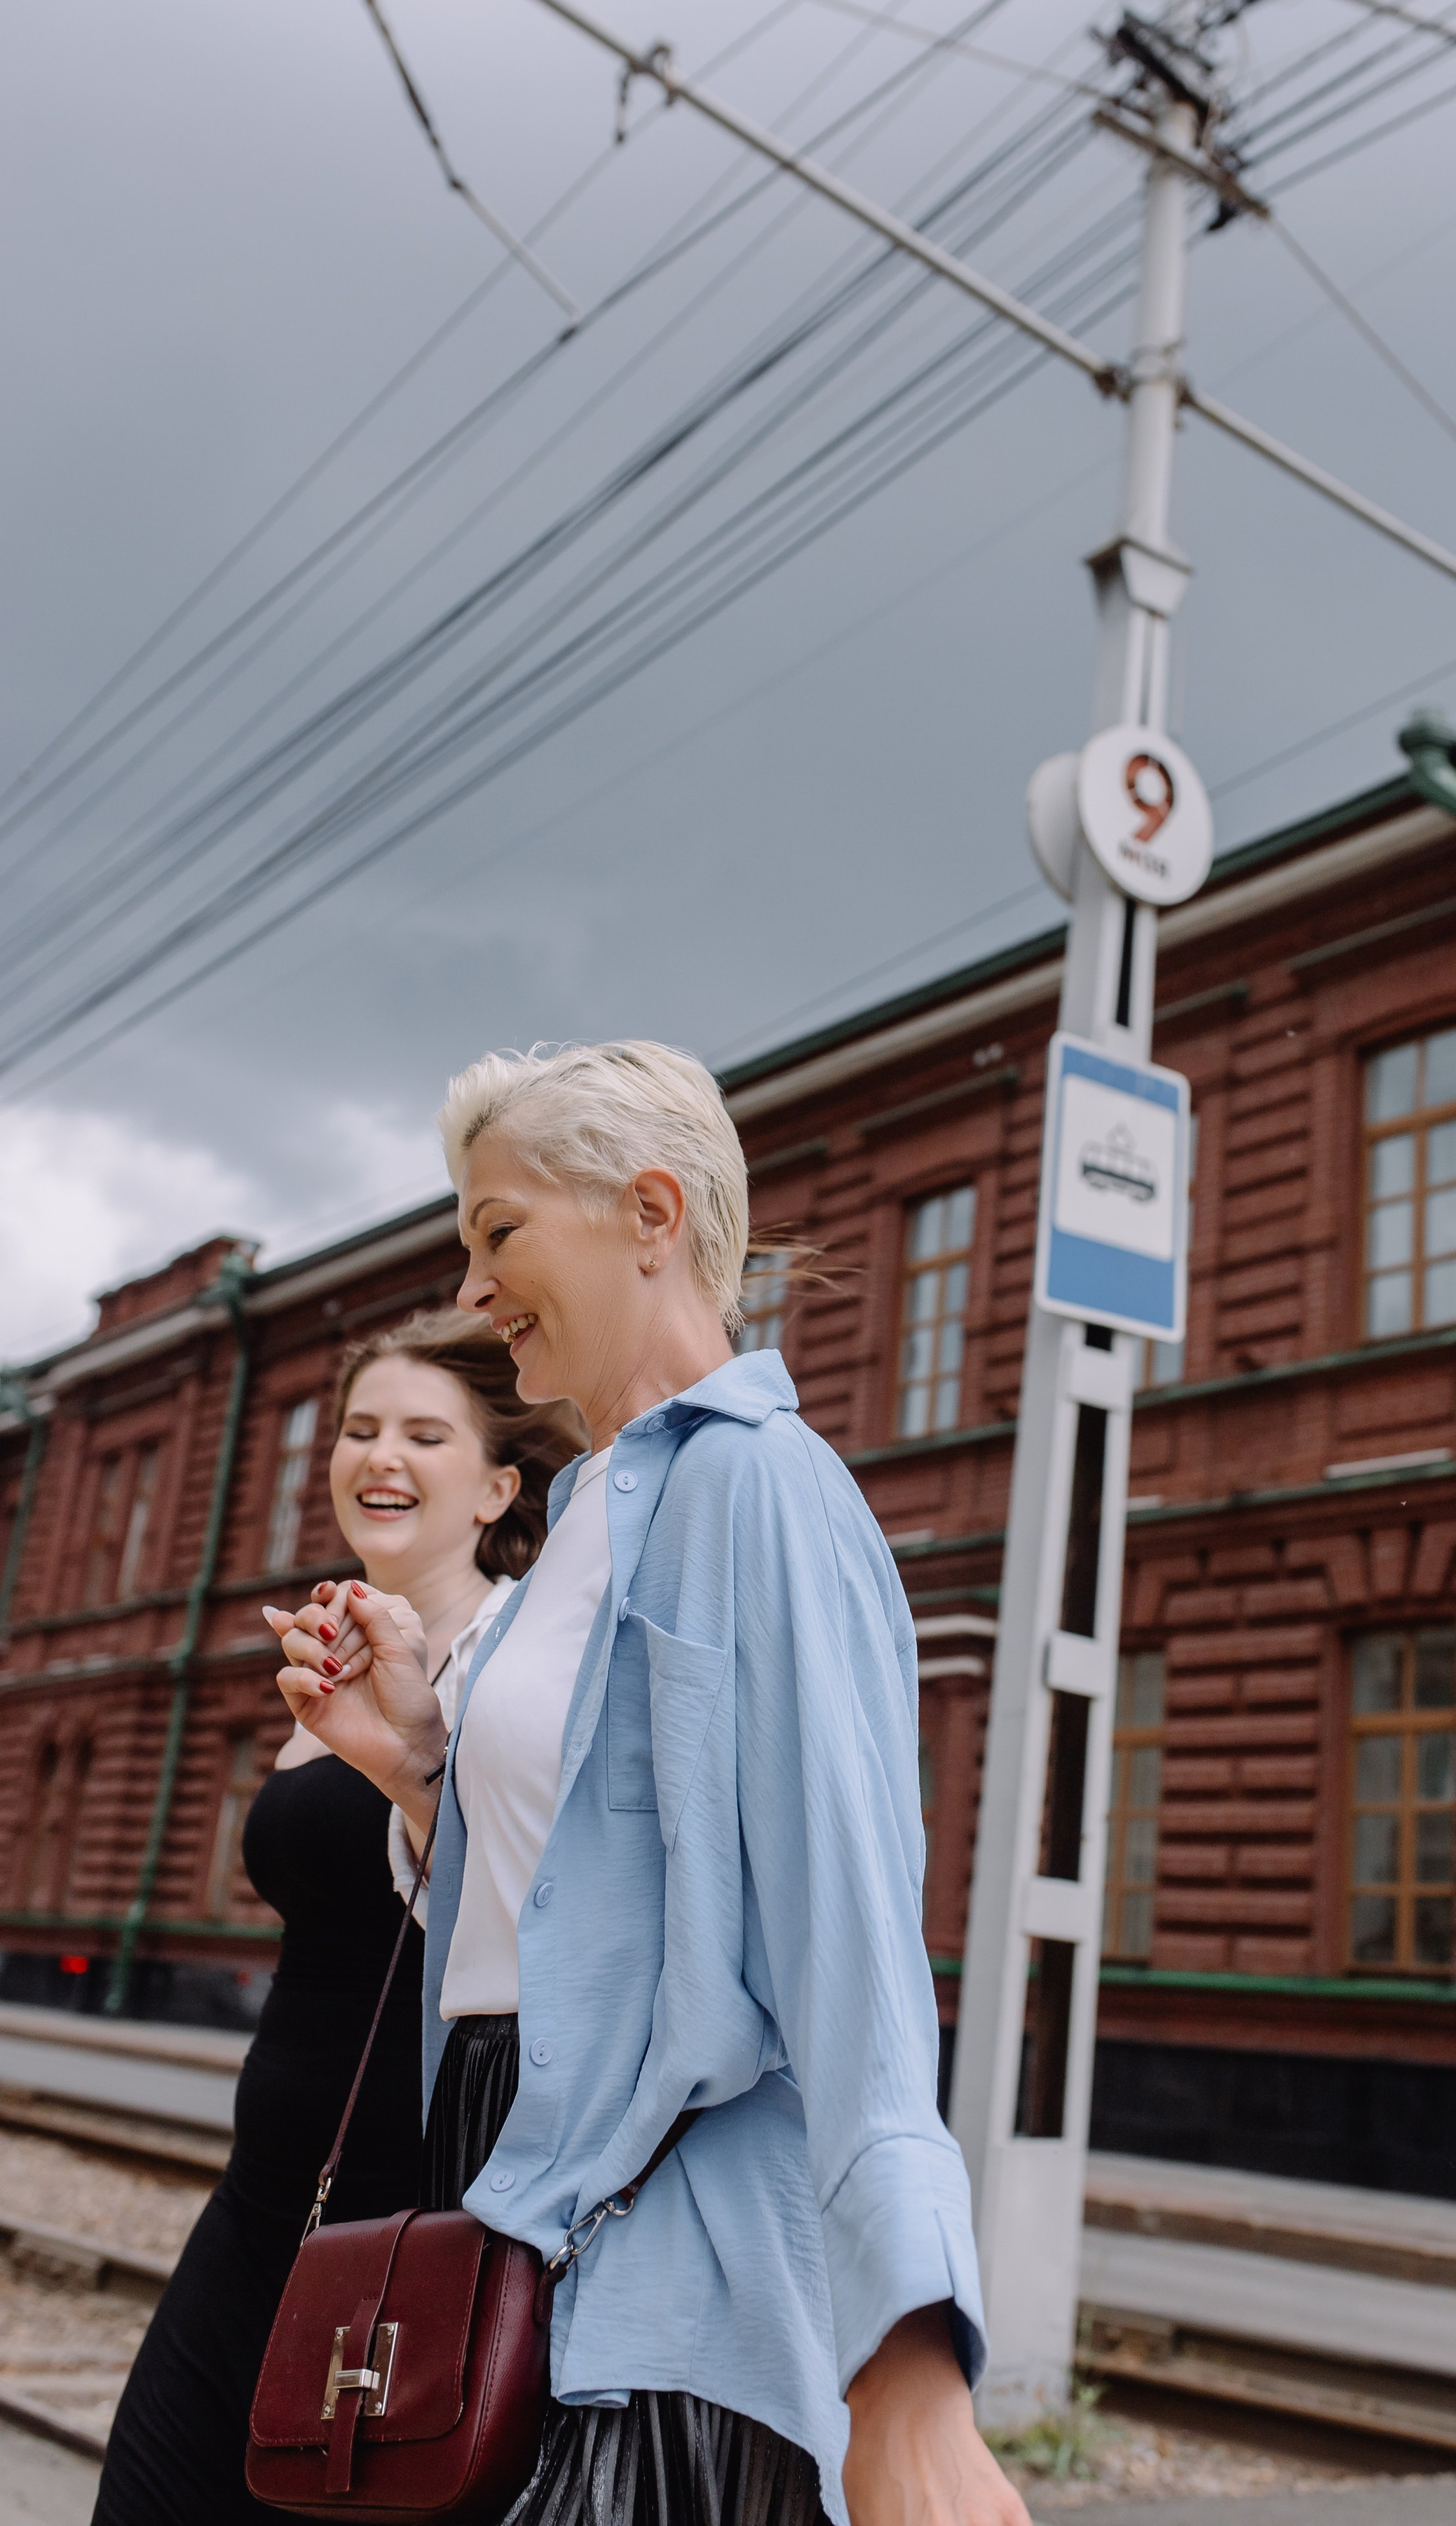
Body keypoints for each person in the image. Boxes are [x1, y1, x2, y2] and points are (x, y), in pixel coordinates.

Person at [277, 1040, 1028, 2526]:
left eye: (499, 1232)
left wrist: (908, 2371)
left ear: (647, 1211)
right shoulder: (583, 1519)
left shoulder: (755, 1484)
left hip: (677, 2261)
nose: (475, 1288)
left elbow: (848, 1919)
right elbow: (563, 1913)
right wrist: (421, 1773)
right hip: (514, 2196)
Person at [95, 1310, 583, 2526]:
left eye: (426, 1433)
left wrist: (410, 1766)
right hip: (267, 2191)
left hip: (403, 2195)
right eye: (359, 1429)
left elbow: (521, 1911)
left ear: (496, 1487)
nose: (380, 1455)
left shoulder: (511, 1658)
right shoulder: (331, 1647)